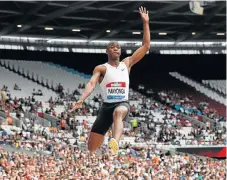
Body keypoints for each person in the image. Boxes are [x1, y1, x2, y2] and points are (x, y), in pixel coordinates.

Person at [71, 6, 150, 155]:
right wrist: (82, 99)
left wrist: (145, 23)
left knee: (118, 113)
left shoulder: (127, 63)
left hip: (122, 103)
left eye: (118, 47)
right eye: (112, 47)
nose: (116, 49)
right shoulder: (101, 68)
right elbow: (91, 83)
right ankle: (99, 153)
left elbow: (146, 46)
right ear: (107, 51)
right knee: (91, 147)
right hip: (106, 107)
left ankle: (115, 142)